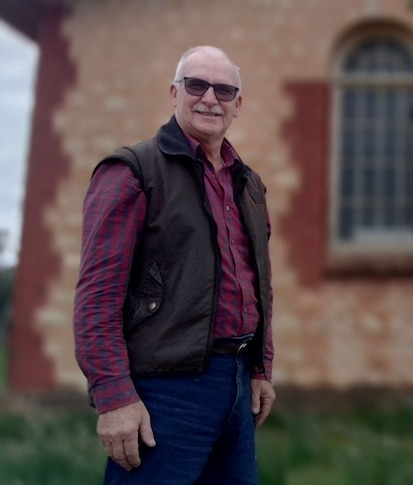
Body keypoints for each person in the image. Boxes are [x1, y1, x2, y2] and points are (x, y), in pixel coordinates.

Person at [73, 45, 275, 484]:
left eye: (224, 89)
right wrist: (113, 398)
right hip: (164, 391)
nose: (209, 98)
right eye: (196, 85)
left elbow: (257, 284)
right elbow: (97, 297)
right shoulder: (131, 171)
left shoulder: (249, 184)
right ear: (173, 93)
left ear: (238, 104)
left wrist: (260, 368)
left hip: (237, 385)